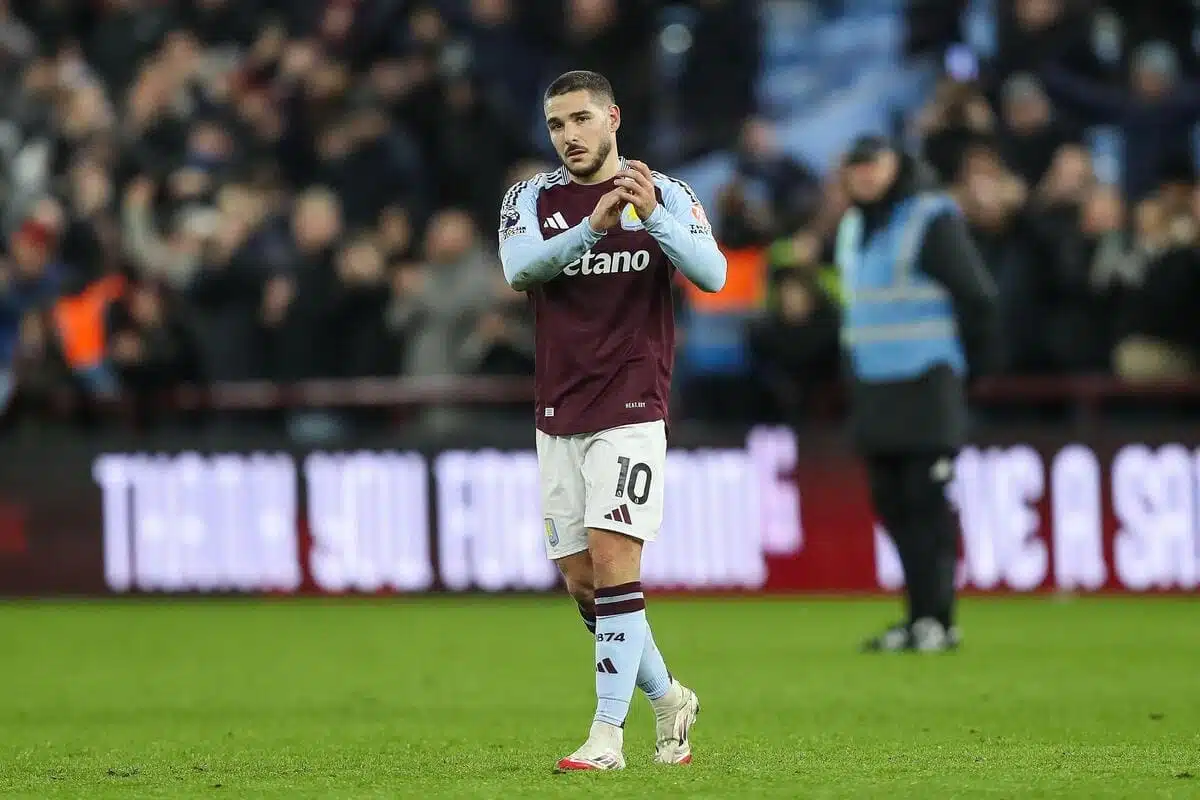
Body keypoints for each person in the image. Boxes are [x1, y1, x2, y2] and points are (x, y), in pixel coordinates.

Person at [497, 70, 726, 771]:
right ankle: (669, 697)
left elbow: (713, 274)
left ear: (613, 118)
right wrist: (591, 231)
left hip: (632, 403)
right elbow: (520, 270)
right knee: (582, 580)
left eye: (581, 119)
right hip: (558, 407)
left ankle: (606, 737)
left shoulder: (668, 193)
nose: (569, 135)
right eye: (557, 124)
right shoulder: (529, 198)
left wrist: (652, 216)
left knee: (613, 557)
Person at [835, 134, 999, 652]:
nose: (864, 174)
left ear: (895, 164)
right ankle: (918, 618)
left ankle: (939, 619)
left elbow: (978, 297)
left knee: (926, 504)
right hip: (876, 386)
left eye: (873, 164)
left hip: (927, 383)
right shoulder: (858, 225)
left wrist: (968, 373)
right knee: (894, 504)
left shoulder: (930, 218)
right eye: (856, 166)